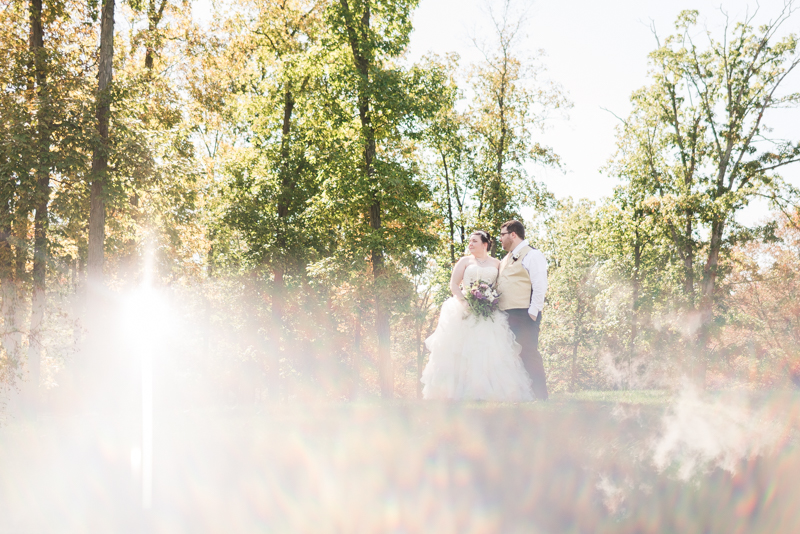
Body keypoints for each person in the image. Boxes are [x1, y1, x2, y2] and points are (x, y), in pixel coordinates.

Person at [421, 230, 534, 401]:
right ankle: (454, 392)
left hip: (488, 311)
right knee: (460, 351)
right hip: (463, 309)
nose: (470, 244)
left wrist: (492, 300)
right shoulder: (465, 261)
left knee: (488, 351)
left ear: (485, 244)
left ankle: (487, 392)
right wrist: (464, 302)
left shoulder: (498, 263)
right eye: (469, 241)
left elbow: (503, 285)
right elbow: (454, 284)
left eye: (474, 241)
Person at [497, 220, 549, 400]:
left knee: (528, 354)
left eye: (502, 234)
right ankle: (520, 396)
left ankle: (541, 397)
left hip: (524, 314)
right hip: (505, 315)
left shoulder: (533, 255)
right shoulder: (506, 259)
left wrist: (532, 313)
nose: (500, 239)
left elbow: (540, 285)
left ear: (513, 234)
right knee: (510, 357)